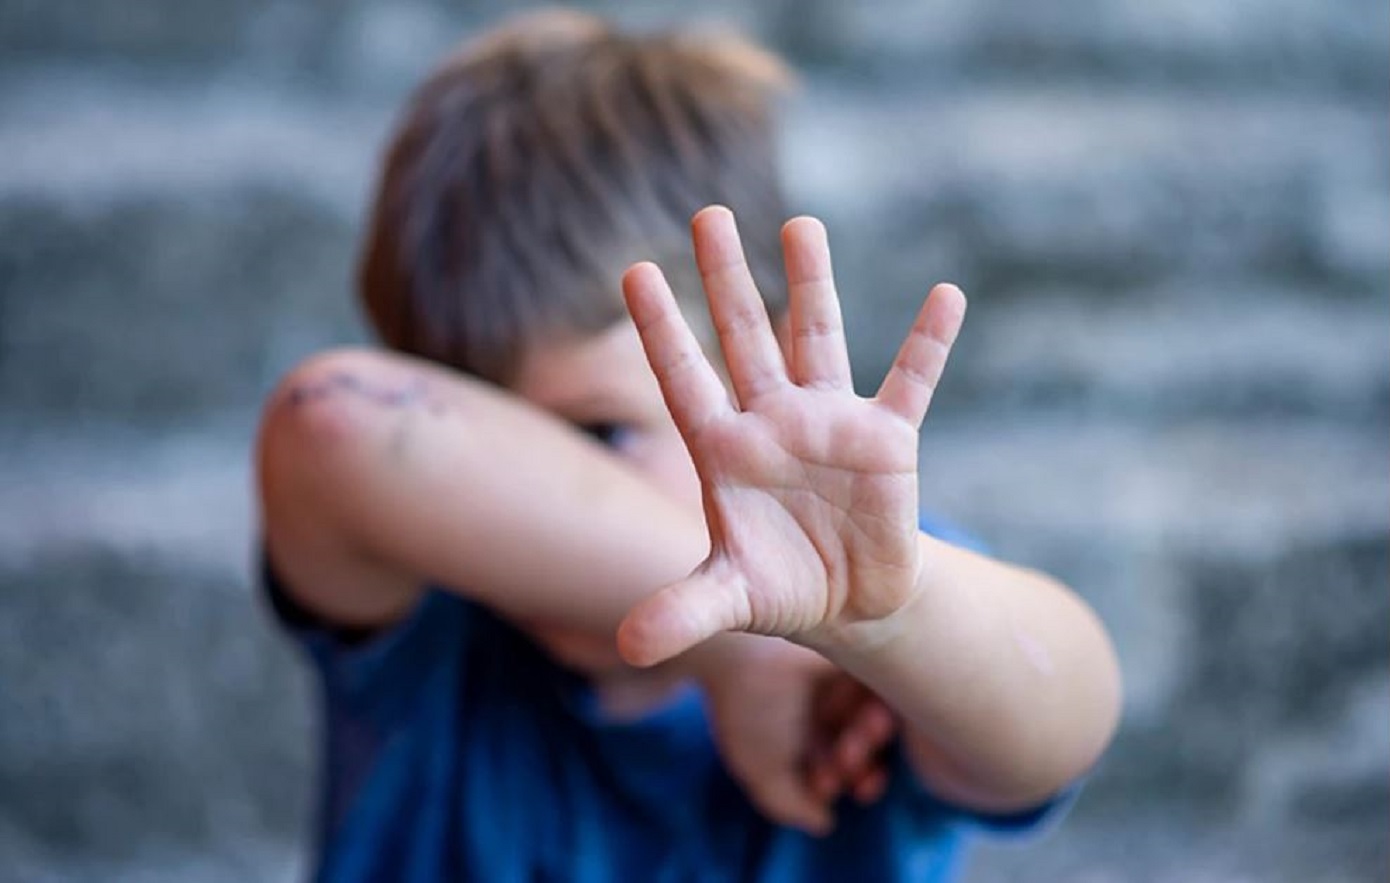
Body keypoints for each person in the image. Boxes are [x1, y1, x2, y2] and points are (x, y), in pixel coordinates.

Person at [254, 9, 1122, 882]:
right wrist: (741, 645)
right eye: (489, 443)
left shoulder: (861, 600)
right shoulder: (433, 630)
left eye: (597, 433)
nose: (531, 487)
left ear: (761, 363)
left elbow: (1069, 712)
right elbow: (333, 423)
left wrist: (881, 622)